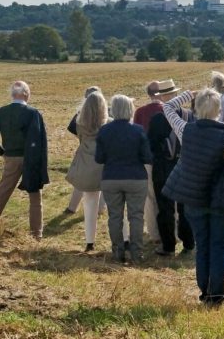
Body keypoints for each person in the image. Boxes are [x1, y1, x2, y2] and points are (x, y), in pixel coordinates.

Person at [162, 88, 224, 306]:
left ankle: (204, 293)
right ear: (219, 110)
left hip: (194, 198)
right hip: (220, 201)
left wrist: (187, 94)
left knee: (202, 245)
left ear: (195, 109)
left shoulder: (186, 130)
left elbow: (167, 107)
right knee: (218, 247)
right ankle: (217, 296)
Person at [0, 81, 48, 240]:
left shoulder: (0, 112)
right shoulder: (34, 113)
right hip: (31, 159)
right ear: (26, 94)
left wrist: (3, 153)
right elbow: (41, 142)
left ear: (12, 94)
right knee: (35, 198)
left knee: (2, 193)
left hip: (11, 157)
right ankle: (36, 235)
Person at [95, 94, 152, 264]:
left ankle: (117, 252)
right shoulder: (138, 130)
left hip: (111, 177)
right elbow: (148, 157)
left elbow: (99, 158)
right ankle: (137, 254)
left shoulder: (104, 131)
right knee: (136, 216)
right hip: (136, 178)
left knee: (114, 216)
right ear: (129, 109)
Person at [148, 79, 194, 256]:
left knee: (165, 207)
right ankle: (189, 243)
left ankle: (168, 245)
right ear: (176, 95)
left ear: (163, 97)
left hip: (163, 168)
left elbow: (150, 145)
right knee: (185, 207)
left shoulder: (158, 119)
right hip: (185, 166)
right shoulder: (189, 116)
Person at [66, 91, 108, 252]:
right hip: (104, 167)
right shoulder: (108, 124)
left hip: (86, 165)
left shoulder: (79, 124)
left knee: (89, 204)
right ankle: (124, 239)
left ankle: (90, 241)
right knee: (115, 206)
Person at [64, 86, 106, 216]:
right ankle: (100, 209)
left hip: (85, 153)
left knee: (81, 182)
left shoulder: (79, 119)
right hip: (102, 154)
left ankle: (72, 207)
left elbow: (73, 129)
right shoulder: (107, 116)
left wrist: (84, 140)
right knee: (103, 182)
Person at [132, 81, 163, 245]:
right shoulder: (169, 109)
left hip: (147, 159)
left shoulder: (140, 112)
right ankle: (171, 230)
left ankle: (154, 233)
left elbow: (136, 137)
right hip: (167, 159)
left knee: (150, 197)